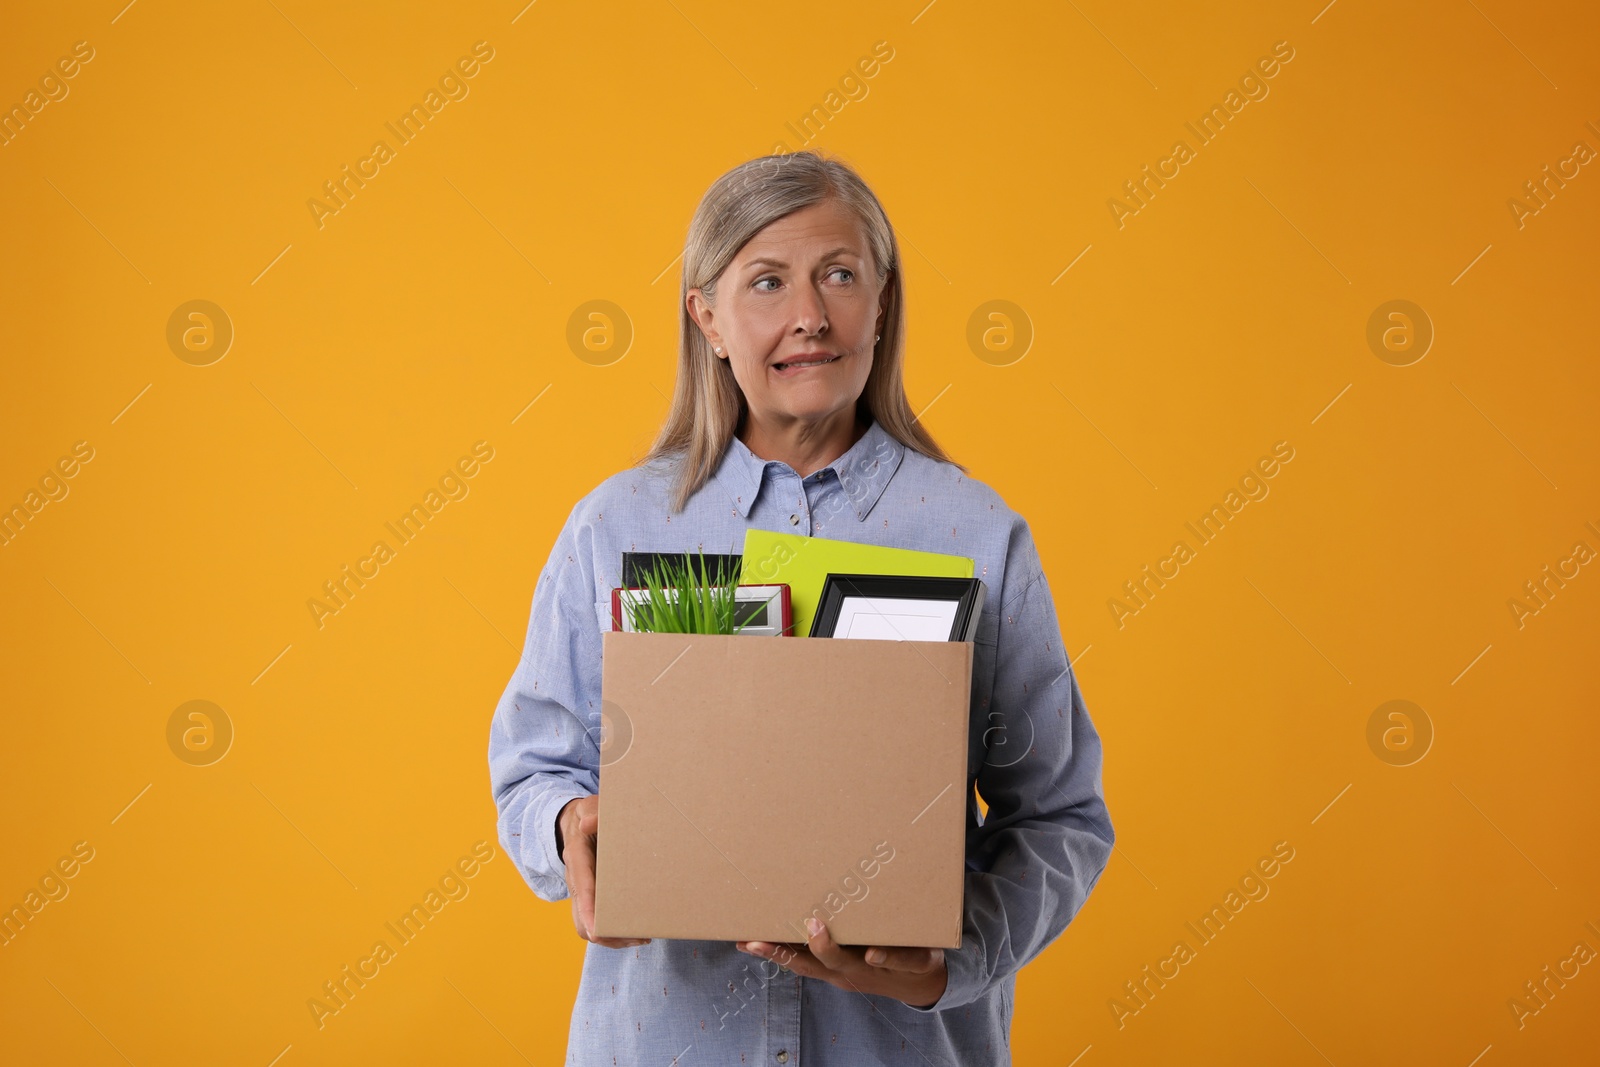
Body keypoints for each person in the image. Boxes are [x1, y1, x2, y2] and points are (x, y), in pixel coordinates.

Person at [487, 150, 1114, 1065]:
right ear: (706, 315)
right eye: (767, 282)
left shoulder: (979, 534)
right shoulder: (612, 527)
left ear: (883, 300)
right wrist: (565, 831)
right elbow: (531, 771)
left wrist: (955, 952)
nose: (809, 317)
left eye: (840, 276)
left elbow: (1061, 818)